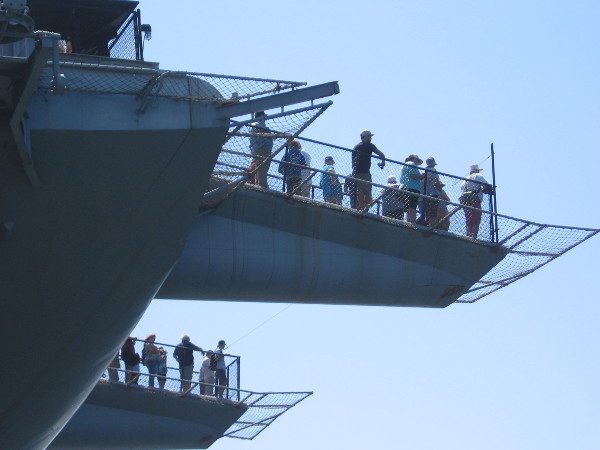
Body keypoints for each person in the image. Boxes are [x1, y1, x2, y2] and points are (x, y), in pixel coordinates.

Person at [351, 130, 386, 210]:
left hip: (356, 173)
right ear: (366, 136)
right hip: (365, 173)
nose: (370, 138)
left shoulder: (356, 147)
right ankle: (364, 208)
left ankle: (361, 208)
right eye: (369, 136)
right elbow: (381, 154)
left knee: (359, 191)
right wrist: (383, 162)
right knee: (367, 194)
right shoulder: (369, 145)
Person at [460, 164, 491, 239]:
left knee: (469, 220)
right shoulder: (478, 176)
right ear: (477, 170)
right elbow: (487, 186)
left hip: (465, 201)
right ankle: (474, 237)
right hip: (475, 200)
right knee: (476, 220)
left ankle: (468, 236)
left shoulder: (464, 181)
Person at [249, 111, 274, 188]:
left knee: (260, 170)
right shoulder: (257, 123)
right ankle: (262, 187)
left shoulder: (255, 124)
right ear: (261, 115)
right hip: (262, 149)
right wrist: (270, 134)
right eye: (264, 115)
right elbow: (260, 128)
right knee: (262, 170)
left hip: (260, 149)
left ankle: (258, 185)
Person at [399, 154, 424, 223]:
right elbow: (413, 175)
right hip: (412, 189)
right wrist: (422, 176)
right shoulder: (412, 164)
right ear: (413, 159)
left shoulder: (404, 165)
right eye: (417, 160)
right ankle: (412, 222)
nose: (417, 162)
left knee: (409, 208)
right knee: (412, 207)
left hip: (405, 188)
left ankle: (409, 221)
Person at [421, 157, 444, 225]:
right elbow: (436, 181)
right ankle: (432, 227)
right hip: (433, 194)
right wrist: (440, 190)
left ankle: (426, 225)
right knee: (433, 214)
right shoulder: (433, 170)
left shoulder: (423, 172)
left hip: (425, 195)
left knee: (426, 213)